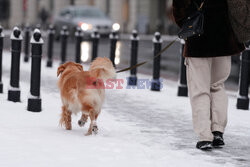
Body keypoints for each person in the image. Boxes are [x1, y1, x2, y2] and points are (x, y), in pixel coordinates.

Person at [172, 0, 245, 150]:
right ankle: (218, 131)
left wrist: (189, 24)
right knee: (217, 86)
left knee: (200, 90)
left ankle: (205, 136)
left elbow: (179, 9)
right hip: (223, 40)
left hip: (198, 40)